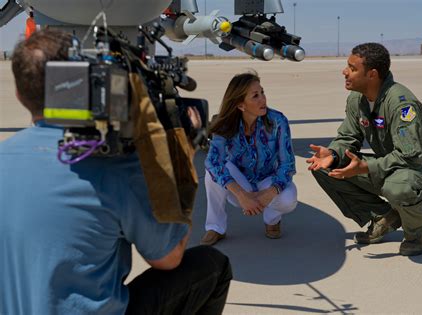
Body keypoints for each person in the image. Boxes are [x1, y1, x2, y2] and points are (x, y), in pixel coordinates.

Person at [0, 29, 232, 315]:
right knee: (212, 266)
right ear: (80, 82)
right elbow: (169, 258)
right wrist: (182, 166)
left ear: (19, 94)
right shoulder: (113, 169)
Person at [307, 43, 422, 256]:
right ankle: (384, 217)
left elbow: (410, 158)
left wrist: (366, 167)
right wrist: (333, 153)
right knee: (325, 167)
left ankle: (419, 230)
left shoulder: (401, 104)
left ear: (372, 74)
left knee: (398, 186)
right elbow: (348, 137)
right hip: (391, 167)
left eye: (352, 68)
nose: (344, 72)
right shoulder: (357, 99)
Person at [200, 72, 298, 246]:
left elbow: (287, 164)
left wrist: (269, 193)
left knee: (288, 199)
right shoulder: (223, 124)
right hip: (240, 182)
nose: (263, 99)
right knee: (213, 171)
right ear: (240, 105)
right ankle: (216, 227)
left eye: (262, 92)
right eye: (255, 96)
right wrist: (242, 195)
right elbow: (213, 162)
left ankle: (272, 220)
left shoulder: (278, 121)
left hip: (267, 179)